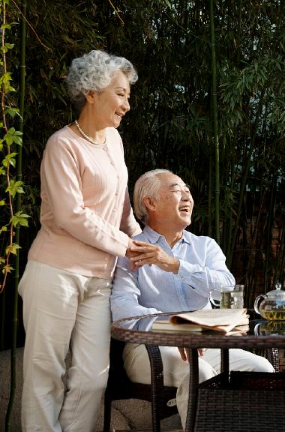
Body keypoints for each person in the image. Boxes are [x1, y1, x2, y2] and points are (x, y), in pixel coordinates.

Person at [18, 50, 148, 432]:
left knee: (93, 377)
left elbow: (121, 207)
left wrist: (143, 242)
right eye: (120, 94)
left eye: (127, 96)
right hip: (55, 271)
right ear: (91, 93)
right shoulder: (62, 145)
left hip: (100, 278)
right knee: (45, 373)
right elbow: (70, 214)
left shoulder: (115, 141)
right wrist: (125, 246)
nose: (127, 104)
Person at [110, 169, 274, 429]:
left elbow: (226, 286)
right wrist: (179, 329)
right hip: (149, 348)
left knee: (261, 369)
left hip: (207, 342)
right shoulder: (131, 250)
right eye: (177, 190)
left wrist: (175, 265)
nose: (187, 196)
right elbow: (123, 313)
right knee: (201, 373)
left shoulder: (205, 246)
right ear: (150, 203)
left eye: (188, 190)